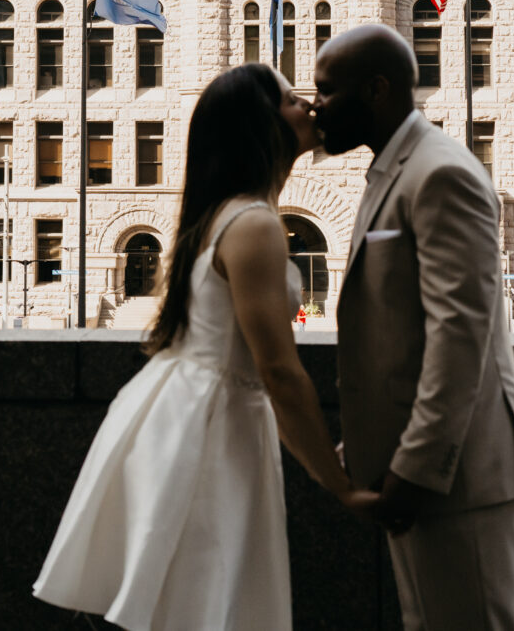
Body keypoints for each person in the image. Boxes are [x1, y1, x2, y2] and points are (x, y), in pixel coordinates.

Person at [34, 63, 378, 630]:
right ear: (261, 125)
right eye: (293, 100)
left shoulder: (220, 217)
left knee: (192, 597)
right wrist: (337, 482)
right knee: (210, 595)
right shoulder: (255, 226)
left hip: (186, 412)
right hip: (212, 429)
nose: (311, 105)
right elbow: (279, 371)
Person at [314, 24, 514, 631]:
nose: (315, 105)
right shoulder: (394, 170)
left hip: (456, 480)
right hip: (415, 475)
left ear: (377, 91)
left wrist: (414, 470)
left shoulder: (442, 173)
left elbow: (458, 339)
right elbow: (401, 337)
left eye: (326, 90)